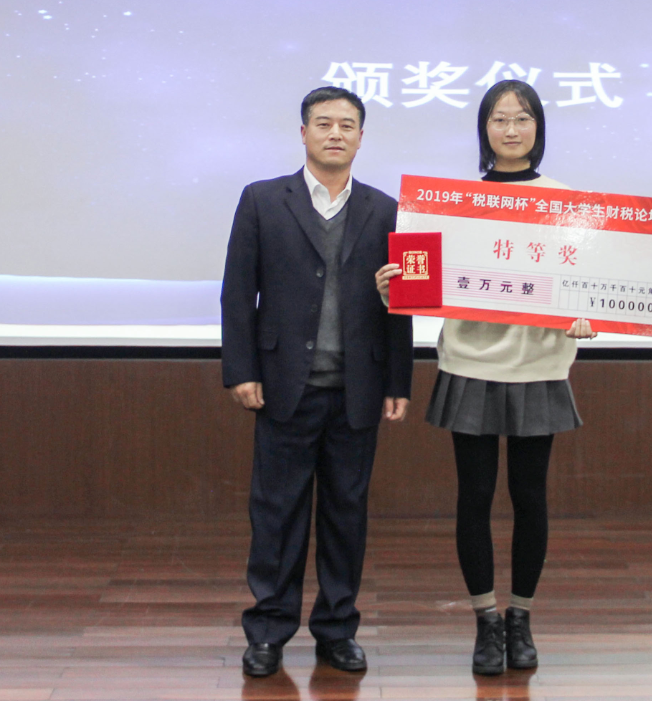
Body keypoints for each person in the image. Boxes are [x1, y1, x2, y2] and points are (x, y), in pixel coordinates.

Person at [376, 79, 597, 675]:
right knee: (473, 497)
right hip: (470, 362)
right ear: (484, 129)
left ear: (538, 128)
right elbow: (423, 282)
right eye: (499, 119)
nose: (511, 129)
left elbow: (588, 284)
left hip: (539, 366)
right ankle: (485, 621)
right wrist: (396, 288)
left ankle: (521, 616)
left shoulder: (568, 203)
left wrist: (587, 315)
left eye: (522, 118)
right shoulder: (451, 202)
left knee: (530, 497)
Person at [221, 86, 413, 678]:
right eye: (324, 123)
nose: (335, 133)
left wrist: (398, 381)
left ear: (361, 137)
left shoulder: (387, 209)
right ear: (303, 133)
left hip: (357, 388)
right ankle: (268, 631)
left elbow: (401, 304)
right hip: (284, 386)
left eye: (347, 125)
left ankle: (337, 629)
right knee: (276, 514)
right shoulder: (262, 200)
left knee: (345, 515)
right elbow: (237, 292)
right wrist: (241, 369)